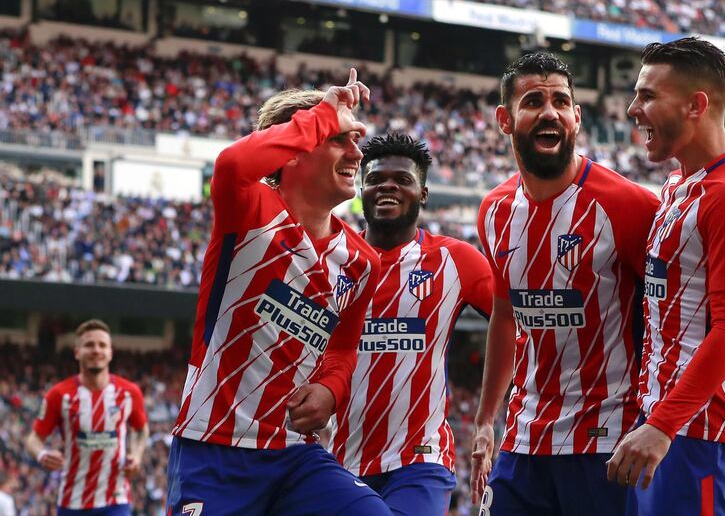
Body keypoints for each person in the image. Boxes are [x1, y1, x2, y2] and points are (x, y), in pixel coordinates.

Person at [166, 70, 392, 516]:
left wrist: (330, 387)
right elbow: (231, 164)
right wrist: (323, 114)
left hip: (295, 456)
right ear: (291, 153)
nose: (356, 152)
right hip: (215, 448)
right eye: (339, 140)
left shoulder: (363, 262)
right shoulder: (251, 211)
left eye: (355, 141)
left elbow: (344, 348)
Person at [470, 52, 660, 515]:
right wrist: (484, 420)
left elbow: (666, 322)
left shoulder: (631, 207)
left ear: (576, 116)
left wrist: (661, 421)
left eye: (560, 100)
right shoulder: (493, 212)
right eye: (533, 101)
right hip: (523, 437)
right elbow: (504, 315)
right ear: (505, 119)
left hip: (608, 441)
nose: (549, 111)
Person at [607, 37, 725, 515]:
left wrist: (662, 425)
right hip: (666, 428)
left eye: (647, 95)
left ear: (695, 104)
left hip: (705, 436)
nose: (632, 109)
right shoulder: (678, 186)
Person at [329, 133, 493, 515]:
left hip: (421, 459)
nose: (388, 185)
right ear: (361, 189)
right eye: (376, 179)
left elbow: (515, 327)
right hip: (341, 461)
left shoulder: (458, 261)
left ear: (422, 193)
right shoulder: (333, 258)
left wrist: (489, 415)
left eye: (402, 179)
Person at [25, 319, 149, 515]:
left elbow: (141, 429)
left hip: (116, 500)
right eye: (89, 345)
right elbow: (34, 438)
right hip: (72, 502)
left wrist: (137, 456)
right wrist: (42, 454)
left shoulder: (129, 393)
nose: (96, 350)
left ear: (110, 352)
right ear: (77, 352)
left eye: (102, 345)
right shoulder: (59, 395)